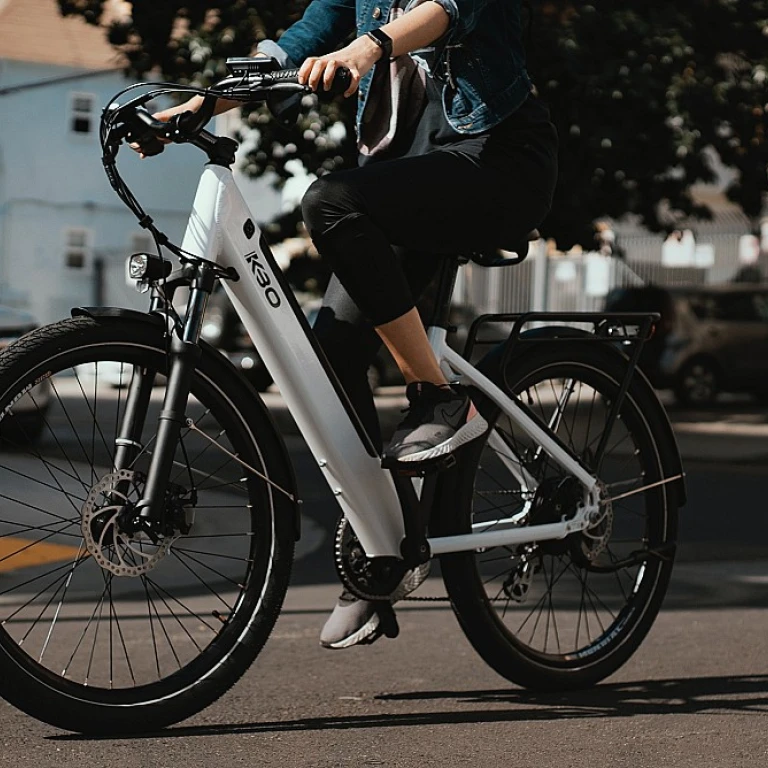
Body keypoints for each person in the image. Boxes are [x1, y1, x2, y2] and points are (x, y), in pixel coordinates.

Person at [147, 0, 558, 649]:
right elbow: (292, 46)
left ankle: (438, 398)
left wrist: (367, 49)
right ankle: (386, 554)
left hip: (496, 161)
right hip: (407, 178)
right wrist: (199, 106)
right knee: (330, 352)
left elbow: (448, 10)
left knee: (330, 201)